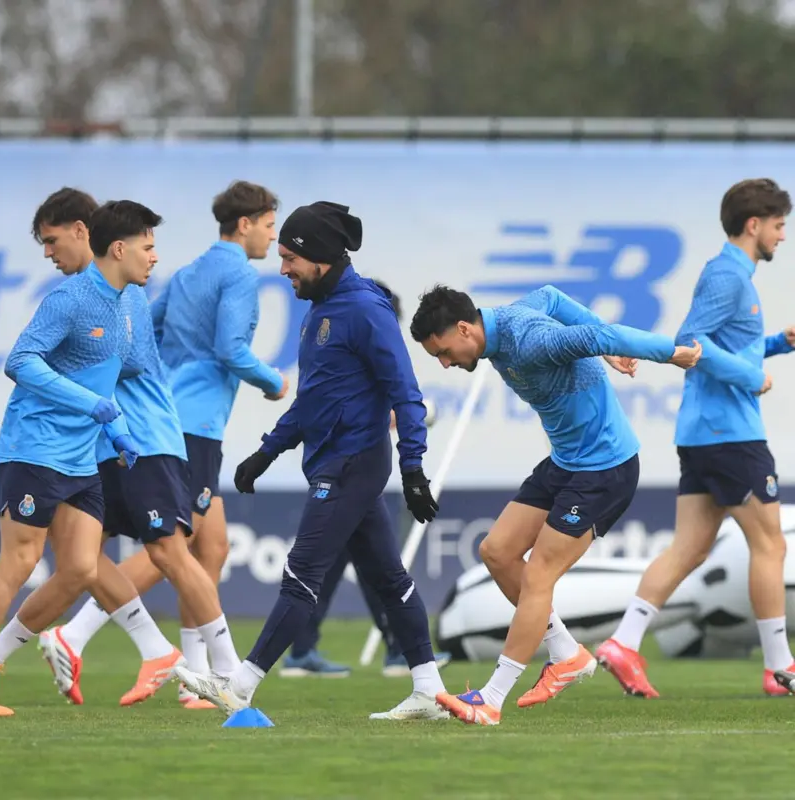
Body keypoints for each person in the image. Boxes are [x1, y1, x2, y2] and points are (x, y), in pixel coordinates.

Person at [176, 201, 449, 722]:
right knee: (391, 580)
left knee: (301, 574)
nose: (282, 271)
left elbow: (406, 394)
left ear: (320, 257)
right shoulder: (319, 311)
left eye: (290, 259)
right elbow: (312, 401)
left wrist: (413, 467)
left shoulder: (367, 311)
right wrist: (266, 451)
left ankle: (241, 685)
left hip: (353, 464)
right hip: (332, 463)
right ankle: (430, 690)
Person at [410, 283, 702, 727]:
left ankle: (490, 699)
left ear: (465, 329)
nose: (446, 364)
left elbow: (604, 334)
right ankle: (567, 653)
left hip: (605, 468)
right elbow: (550, 296)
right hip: (566, 461)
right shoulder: (505, 324)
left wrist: (671, 352)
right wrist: (599, 347)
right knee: (497, 551)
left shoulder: (532, 340)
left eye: (444, 352)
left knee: (540, 573)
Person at [44, 180, 288, 708]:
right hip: (188, 425)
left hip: (176, 418)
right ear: (244, 225)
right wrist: (273, 381)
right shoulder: (241, 274)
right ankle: (81, 635)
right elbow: (231, 348)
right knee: (171, 547)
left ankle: (195, 675)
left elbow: (144, 331)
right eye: (270, 225)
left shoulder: (187, 272)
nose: (274, 237)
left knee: (211, 547)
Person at [0, 200, 171, 717]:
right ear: (119, 248)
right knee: (19, 563)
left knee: (82, 567)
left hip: (82, 459)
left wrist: (120, 431)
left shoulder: (126, 305)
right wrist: (94, 406)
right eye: (148, 247)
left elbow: (109, 379)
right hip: (35, 448)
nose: (155, 258)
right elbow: (19, 361)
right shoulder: (69, 298)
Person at [597, 178, 795, 698]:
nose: (782, 236)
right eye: (778, 226)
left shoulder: (734, 276)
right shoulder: (727, 275)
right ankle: (780, 668)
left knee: (689, 548)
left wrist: (779, 343)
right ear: (754, 225)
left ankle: (623, 642)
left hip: (704, 433)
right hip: (730, 435)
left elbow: (725, 345)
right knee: (770, 545)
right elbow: (690, 341)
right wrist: (751, 377)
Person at [279, 282, 451, 679]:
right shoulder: (352, 344)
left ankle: (310, 649)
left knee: (367, 566)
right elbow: (350, 408)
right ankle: (391, 650)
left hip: (350, 473)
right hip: (344, 472)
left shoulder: (355, 344)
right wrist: (414, 415)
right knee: (372, 568)